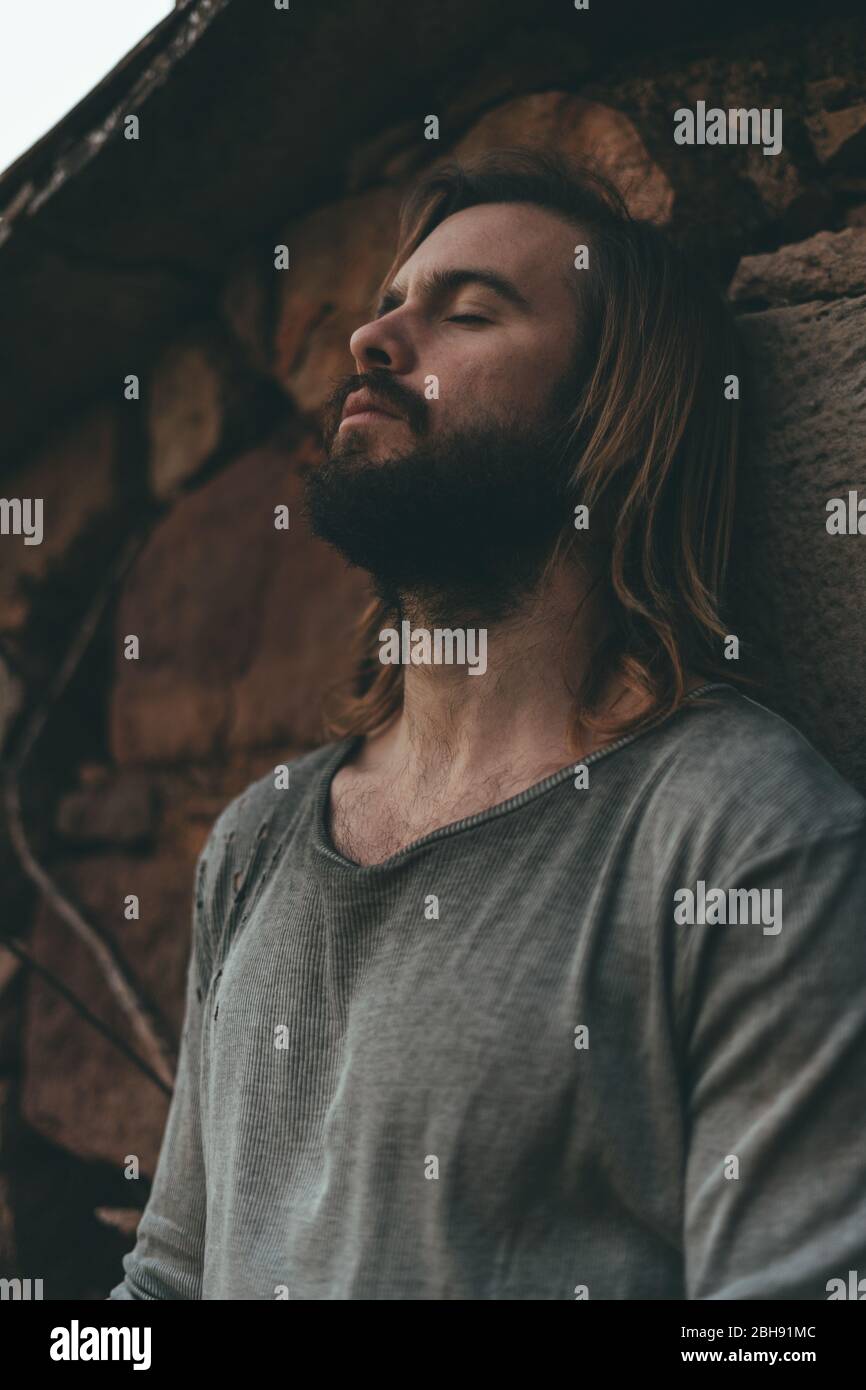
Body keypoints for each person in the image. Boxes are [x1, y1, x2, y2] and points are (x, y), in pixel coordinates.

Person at [110, 149, 866, 1300]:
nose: (374, 340)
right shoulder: (257, 837)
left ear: (608, 415)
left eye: (466, 313)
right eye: (386, 306)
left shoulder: (743, 837)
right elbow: (170, 1280)